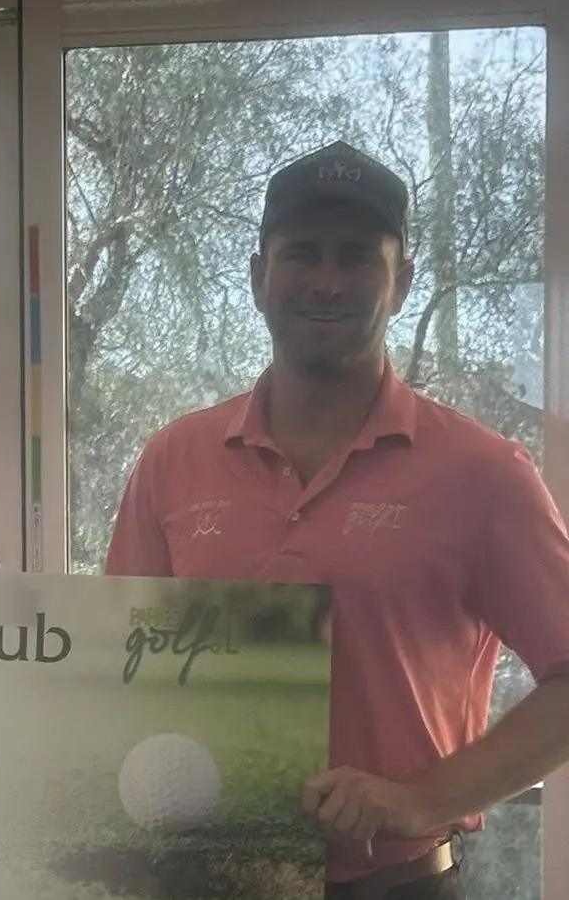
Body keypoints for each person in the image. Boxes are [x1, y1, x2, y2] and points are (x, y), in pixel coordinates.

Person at [104, 141, 569, 899]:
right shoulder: (173, 458)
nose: (327, 280)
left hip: (400, 882)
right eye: (301, 254)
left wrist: (420, 798)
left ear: (402, 281)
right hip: (205, 879)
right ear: (259, 277)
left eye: (357, 257)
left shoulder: (484, 471)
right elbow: (118, 667)